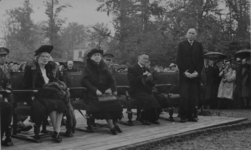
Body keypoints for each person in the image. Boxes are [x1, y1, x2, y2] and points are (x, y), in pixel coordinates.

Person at [24, 45, 68, 142]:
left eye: (47, 57)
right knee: (51, 104)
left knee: (60, 104)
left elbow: (52, 81)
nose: (45, 58)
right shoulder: (32, 68)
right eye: (42, 56)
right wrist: (40, 91)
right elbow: (27, 85)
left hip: (48, 95)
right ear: (37, 58)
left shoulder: (48, 69)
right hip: (36, 95)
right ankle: (55, 131)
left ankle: (57, 131)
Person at [81, 48, 123, 135]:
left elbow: (112, 79)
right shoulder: (87, 67)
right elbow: (84, 81)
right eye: (95, 55)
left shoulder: (103, 66)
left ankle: (116, 124)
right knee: (106, 103)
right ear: (91, 57)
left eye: (99, 55)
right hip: (92, 93)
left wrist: (113, 89)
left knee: (116, 101)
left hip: (105, 92)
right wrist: (95, 90)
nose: (97, 57)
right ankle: (111, 126)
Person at [176, 28, 204, 123]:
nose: (191, 35)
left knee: (193, 96)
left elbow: (201, 60)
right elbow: (178, 60)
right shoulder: (181, 44)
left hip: (195, 75)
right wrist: (185, 72)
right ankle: (183, 116)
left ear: (195, 35)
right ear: (186, 35)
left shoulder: (199, 45)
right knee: (184, 96)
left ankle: (191, 115)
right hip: (185, 75)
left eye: (193, 33)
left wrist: (197, 72)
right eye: (189, 33)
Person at [127, 52, 161, 125]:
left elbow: (149, 82)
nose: (145, 60)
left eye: (147, 59)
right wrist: (143, 75)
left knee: (159, 97)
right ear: (139, 58)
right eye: (144, 58)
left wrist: (152, 76)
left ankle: (152, 117)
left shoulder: (147, 69)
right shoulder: (132, 68)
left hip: (145, 90)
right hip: (135, 91)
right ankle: (145, 118)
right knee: (149, 98)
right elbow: (132, 80)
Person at [0, 47, 14, 146]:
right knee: (7, 106)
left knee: (11, 103)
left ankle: (8, 134)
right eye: (1, 56)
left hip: (5, 94)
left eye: (4, 56)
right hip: (1, 94)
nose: (3, 58)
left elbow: (8, 82)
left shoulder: (6, 68)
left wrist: (8, 90)